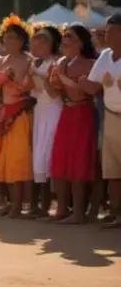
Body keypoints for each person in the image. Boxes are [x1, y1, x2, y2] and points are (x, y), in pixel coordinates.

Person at [49, 24, 98, 223]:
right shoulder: (61, 62)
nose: (65, 40)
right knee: (61, 159)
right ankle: (61, 208)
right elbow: (54, 92)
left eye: (69, 36)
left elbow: (87, 91)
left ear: (80, 41)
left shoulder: (91, 63)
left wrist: (63, 78)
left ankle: (78, 212)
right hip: (66, 113)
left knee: (79, 162)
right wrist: (51, 79)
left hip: (83, 113)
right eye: (64, 36)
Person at [0, 16, 34, 218]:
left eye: (14, 38)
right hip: (4, 112)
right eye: (6, 38)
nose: (9, 42)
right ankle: (7, 203)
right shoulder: (0, 62)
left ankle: (19, 205)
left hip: (21, 114)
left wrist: (14, 80)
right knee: (2, 159)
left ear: (22, 40)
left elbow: (30, 91)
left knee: (17, 160)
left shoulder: (29, 61)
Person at [83, 14, 121, 228]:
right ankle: (116, 212)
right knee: (112, 169)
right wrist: (75, 82)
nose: (107, 35)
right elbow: (92, 86)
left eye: (112, 31)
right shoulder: (105, 56)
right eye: (107, 31)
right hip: (111, 117)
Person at [28, 24, 62, 218]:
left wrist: (36, 74)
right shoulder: (37, 63)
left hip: (54, 110)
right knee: (39, 156)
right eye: (37, 39)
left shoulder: (55, 63)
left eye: (44, 40)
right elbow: (33, 91)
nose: (38, 43)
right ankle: (40, 204)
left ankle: (53, 204)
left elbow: (53, 91)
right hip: (40, 110)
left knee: (50, 154)